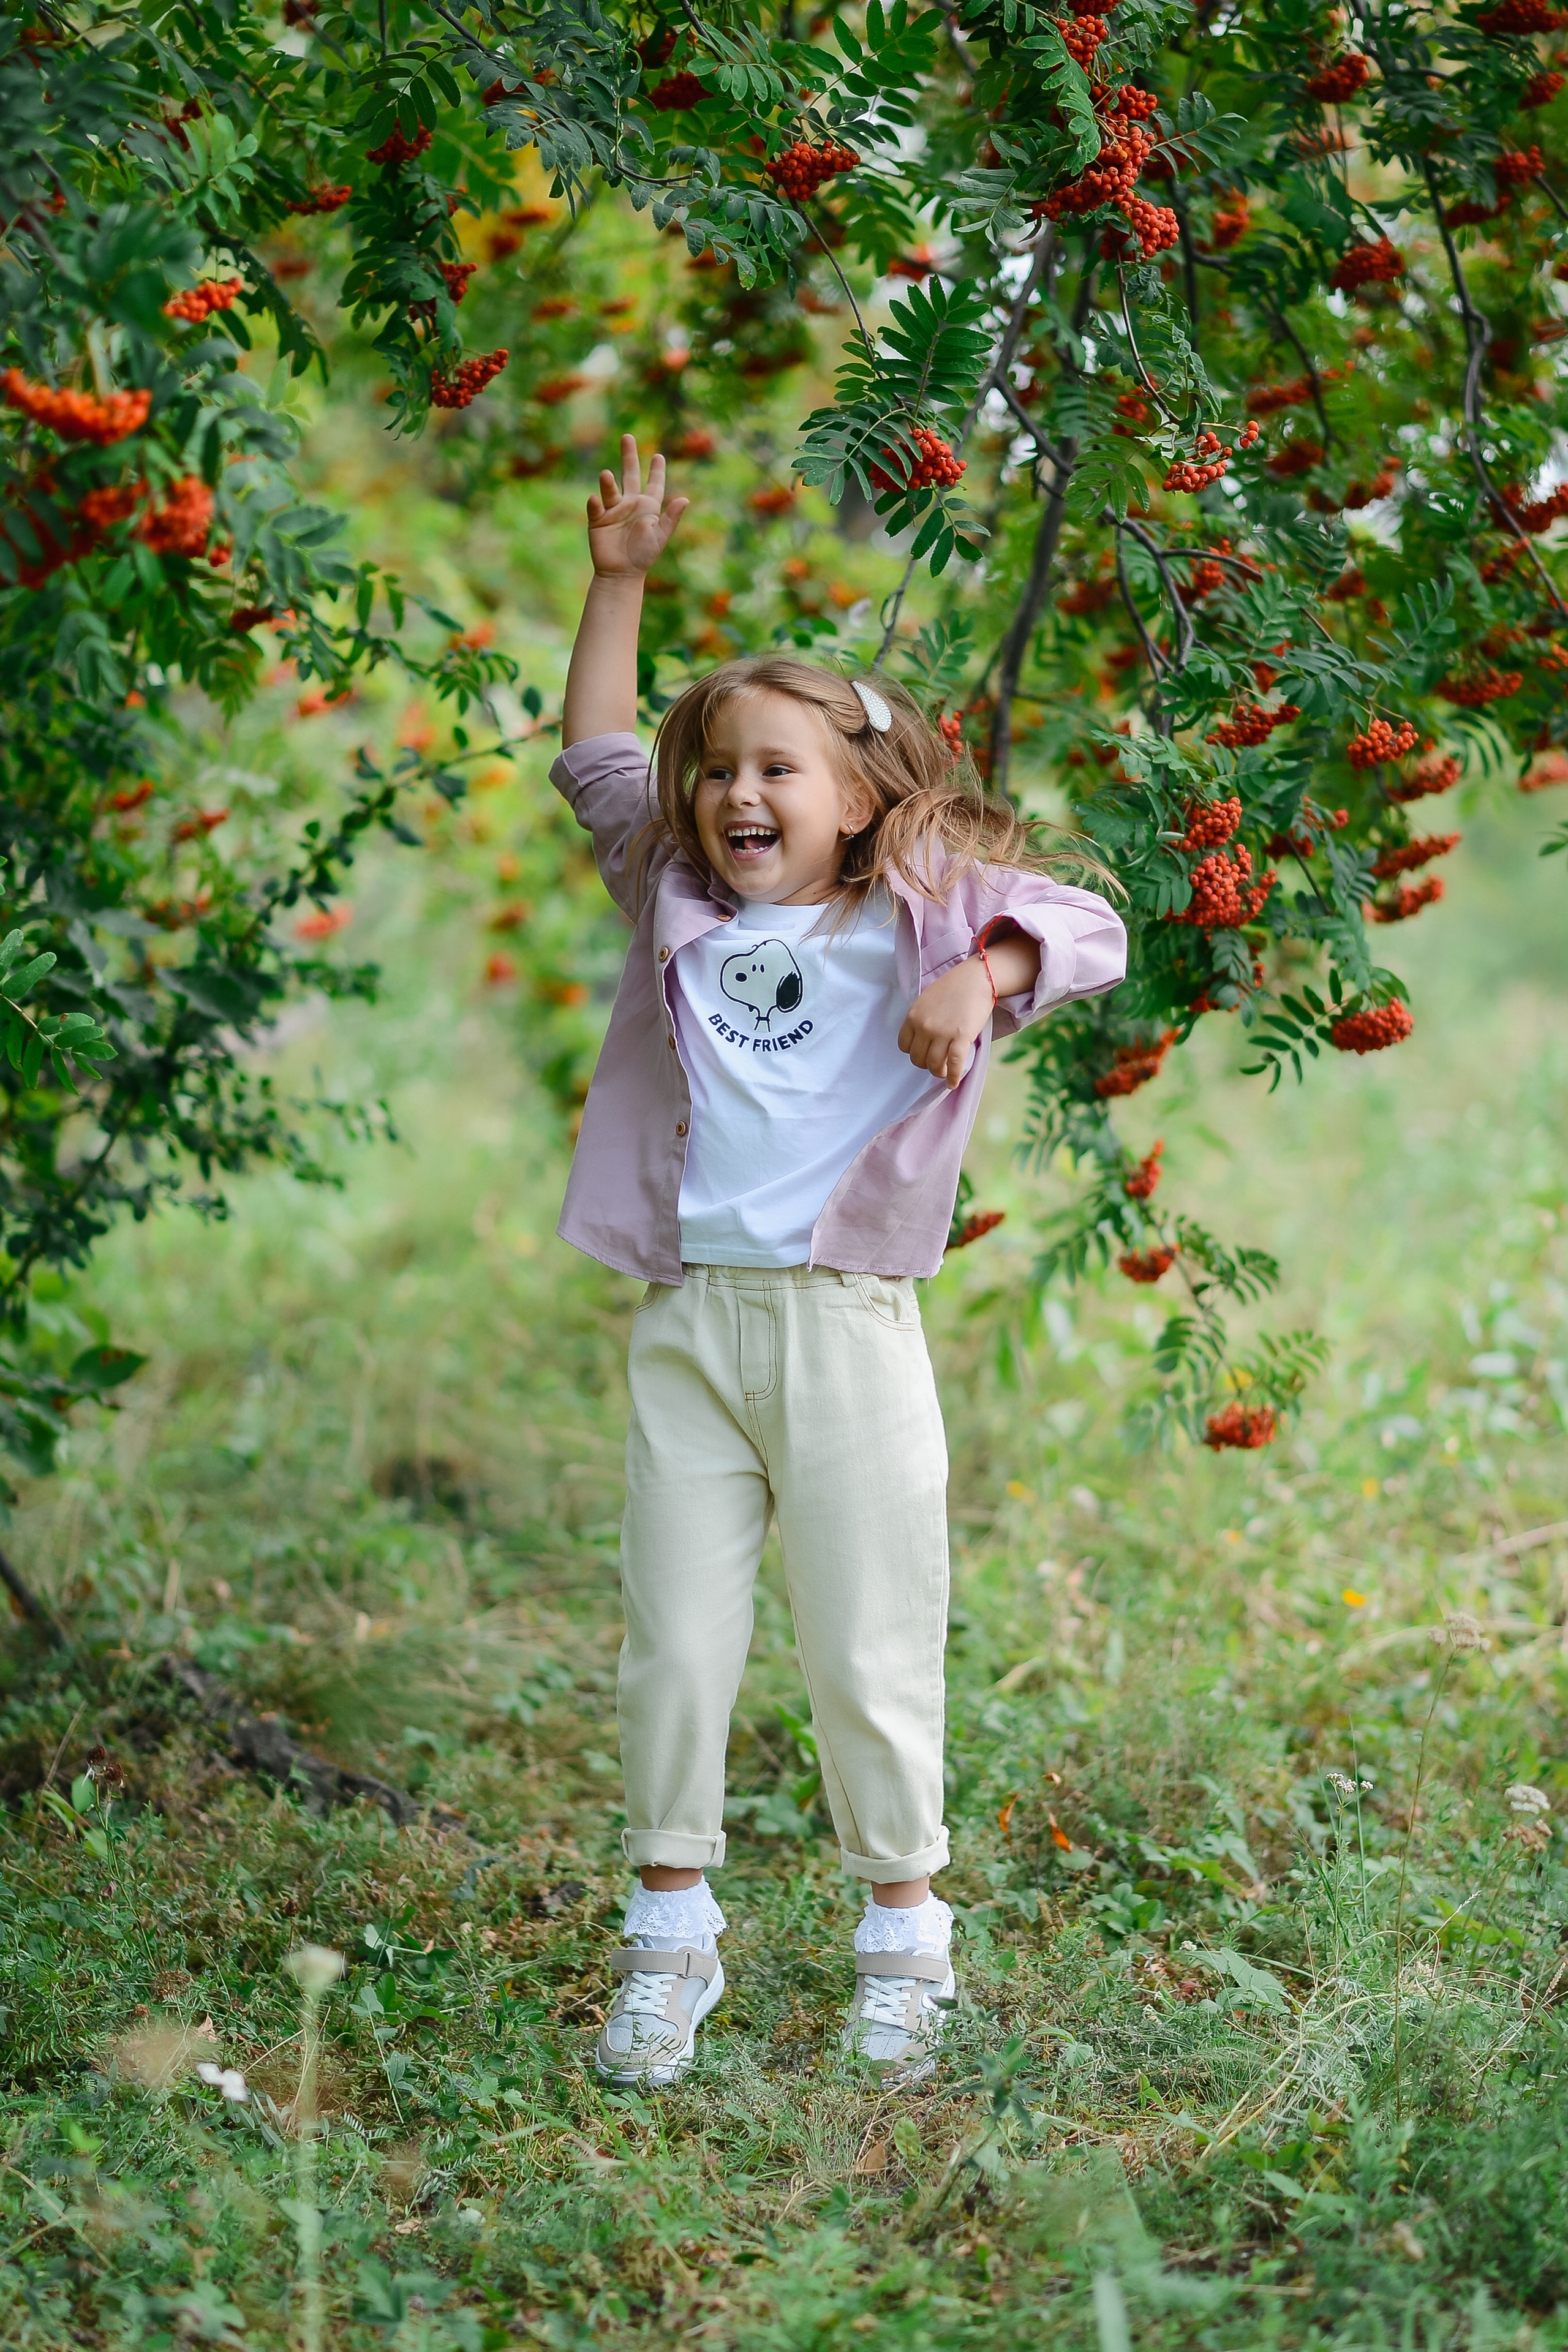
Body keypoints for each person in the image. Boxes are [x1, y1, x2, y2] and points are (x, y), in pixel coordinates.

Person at [548, 437, 1127, 2089]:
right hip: (690, 1326)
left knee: (870, 1647)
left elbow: (1093, 929)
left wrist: (984, 972)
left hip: (849, 1330)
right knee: (675, 1646)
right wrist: (617, 583)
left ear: (860, 795)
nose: (740, 795)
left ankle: (906, 1947)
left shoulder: (925, 906)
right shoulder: (670, 890)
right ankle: (671, 1940)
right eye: (721, 770)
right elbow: (596, 754)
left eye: (780, 771)